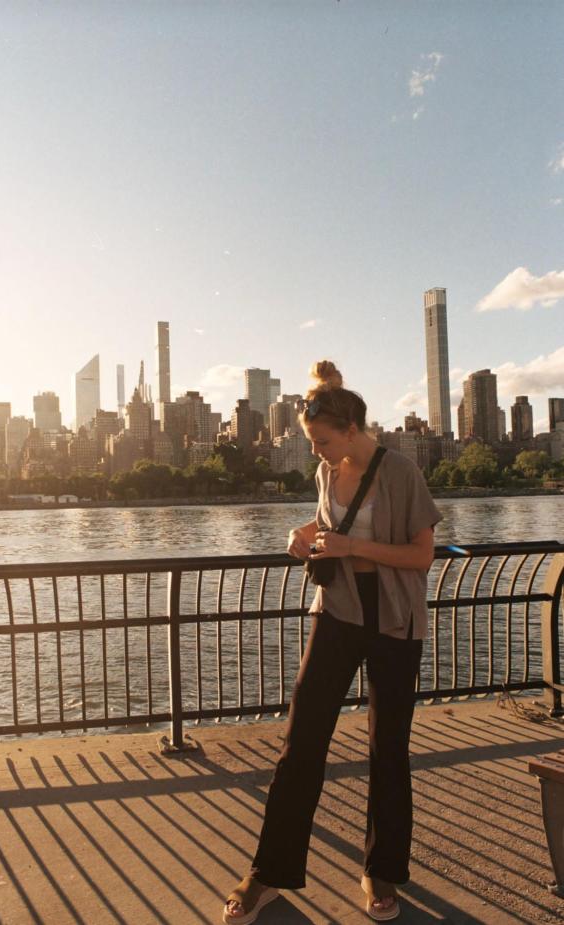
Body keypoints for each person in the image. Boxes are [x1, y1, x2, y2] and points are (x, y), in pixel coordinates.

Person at [223, 360, 443, 924]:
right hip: (337, 613)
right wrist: (306, 536)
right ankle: (267, 873)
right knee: (300, 745)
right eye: (313, 443)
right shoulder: (328, 472)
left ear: (351, 429)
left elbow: (422, 558)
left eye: (322, 441)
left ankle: (381, 869)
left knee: (387, 749)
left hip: (394, 622)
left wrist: (350, 549)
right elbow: (330, 527)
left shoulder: (401, 474)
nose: (317, 453)